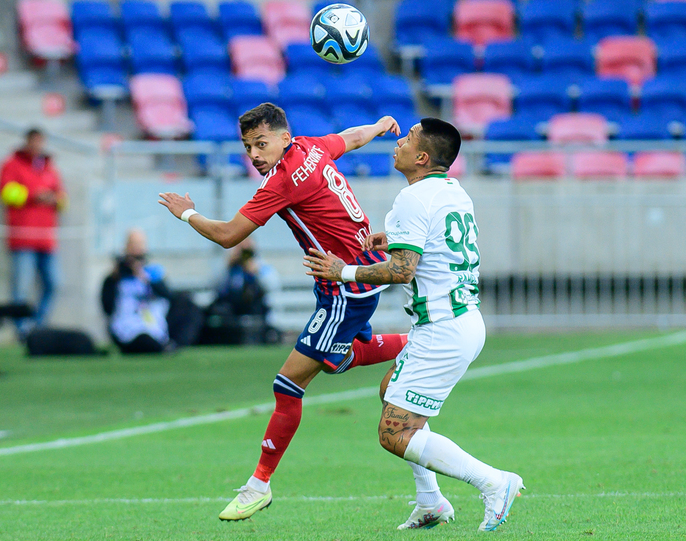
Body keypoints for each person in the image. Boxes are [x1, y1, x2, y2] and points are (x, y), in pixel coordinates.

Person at [158, 103, 412, 520]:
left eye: (261, 144)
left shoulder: (283, 181)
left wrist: (186, 212)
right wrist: (380, 124)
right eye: (247, 147)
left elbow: (229, 235)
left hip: (345, 289)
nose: (254, 155)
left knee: (288, 384)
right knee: (337, 359)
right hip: (351, 279)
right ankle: (414, 344)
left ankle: (258, 485)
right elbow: (350, 138)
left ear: (283, 137)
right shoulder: (311, 147)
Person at [304, 118, 524, 531]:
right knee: (390, 389)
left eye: (407, 139)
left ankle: (494, 483)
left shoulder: (412, 197)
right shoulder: (453, 191)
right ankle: (431, 502)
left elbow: (403, 271)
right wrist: (394, 239)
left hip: (443, 327)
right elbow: (435, 243)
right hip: (459, 319)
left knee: (394, 433)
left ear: (422, 157)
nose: (399, 142)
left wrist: (342, 271)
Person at [0, 128, 66, 338]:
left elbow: (63, 199)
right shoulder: (12, 164)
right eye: (34, 141)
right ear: (27, 142)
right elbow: (5, 192)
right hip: (23, 237)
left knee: (54, 283)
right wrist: (33, 195)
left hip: (46, 239)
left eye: (40, 141)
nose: (37, 146)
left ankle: (38, 327)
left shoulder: (49, 167)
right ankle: (22, 331)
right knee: (22, 287)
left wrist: (55, 199)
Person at [101, 229, 175, 354]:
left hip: (153, 324)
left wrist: (145, 277)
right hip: (128, 327)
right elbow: (107, 307)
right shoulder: (115, 277)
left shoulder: (152, 274)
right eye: (133, 244)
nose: (137, 248)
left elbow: (168, 296)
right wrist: (116, 277)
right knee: (143, 340)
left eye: (140, 244)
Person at [200, 238, 282, 345]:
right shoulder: (227, 266)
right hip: (230, 309)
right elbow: (213, 285)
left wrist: (256, 271)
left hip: (254, 307)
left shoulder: (260, 265)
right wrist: (227, 265)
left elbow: (273, 285)